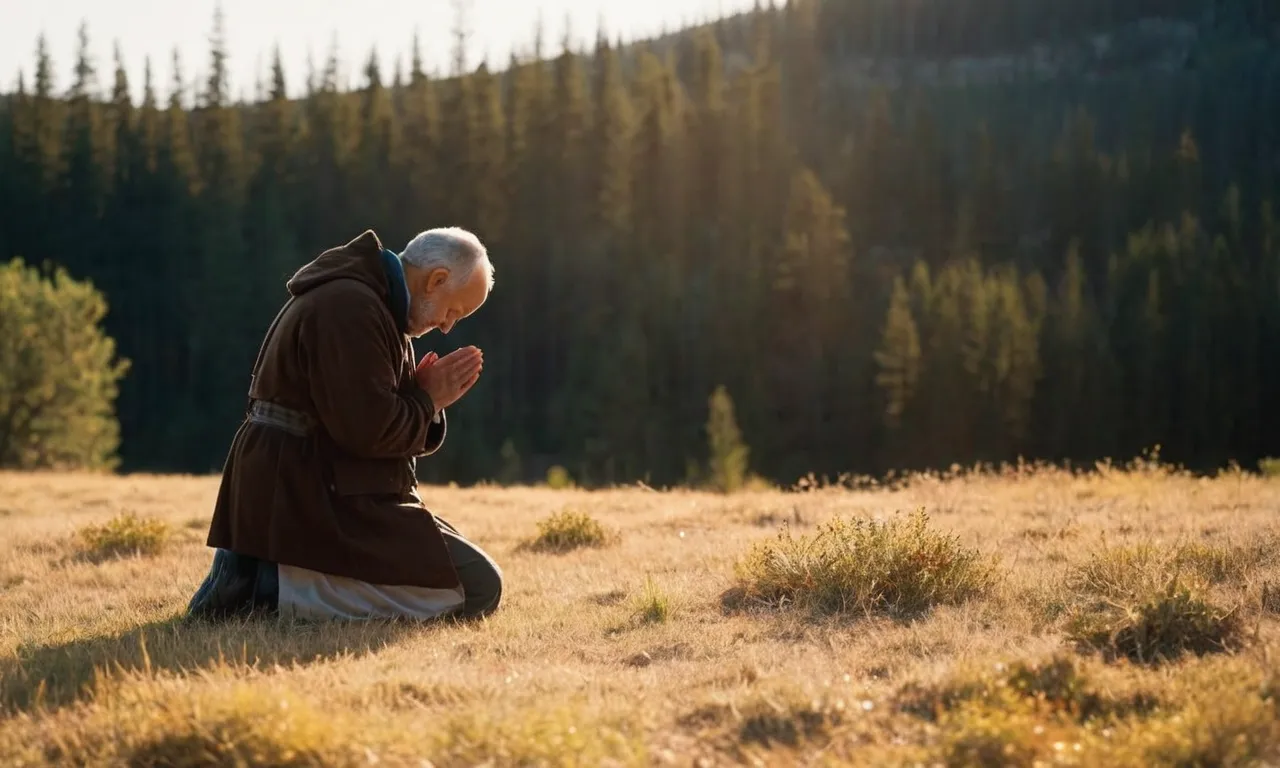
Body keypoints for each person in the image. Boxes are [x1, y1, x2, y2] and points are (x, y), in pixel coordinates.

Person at [186, 228, 503, 622]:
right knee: (475, 588)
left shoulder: (374, 305)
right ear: (436, 280)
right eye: (453, 311)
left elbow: (372, 420)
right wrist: (427, 399)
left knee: (470, 577)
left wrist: (422, 399)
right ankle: (270, 590)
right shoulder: (350, 307)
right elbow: (368, 432)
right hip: (300, 496)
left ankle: (271, 579)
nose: (446, 327)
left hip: (322, 489)